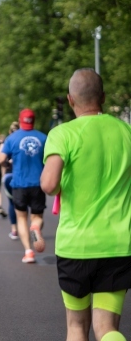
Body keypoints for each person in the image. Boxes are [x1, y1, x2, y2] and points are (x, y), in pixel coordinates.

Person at [41, 68, 131, 341]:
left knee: (77, 327)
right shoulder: (125, 131)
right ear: (102, 97)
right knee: (107, 329)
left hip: (76, 246)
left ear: (70, 100)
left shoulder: (62, 134)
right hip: (118, 243)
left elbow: (48, 185)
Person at [0, 108, 47, 264]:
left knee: (21, 217)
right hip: (38, 183)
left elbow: (1, 159)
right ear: (34, 121)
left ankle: (28, 252)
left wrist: (8, 162)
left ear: (20, 121)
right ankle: (35, 228)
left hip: (19, 184)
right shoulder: (44, 138)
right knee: (37, 218)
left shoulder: (12, 138)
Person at [0, 121, 20, 240]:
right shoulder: (24, 139)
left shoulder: (7, 141)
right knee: (25, 203)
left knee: (12, 203)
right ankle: (32, 230)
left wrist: (7, 164)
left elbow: (0, 159)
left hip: (9, 175)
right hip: (24, 175)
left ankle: (14, 230)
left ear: (9, 131)